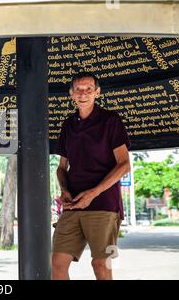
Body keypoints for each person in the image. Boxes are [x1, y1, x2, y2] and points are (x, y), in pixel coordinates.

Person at [52, 72, 131, 280]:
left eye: (88, 89)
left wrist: (92, 193)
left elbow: (124, 165)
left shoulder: (111, 120)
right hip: (72, 205)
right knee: (57, 264)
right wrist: (64, 190)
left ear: (97, 92)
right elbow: (61, 168)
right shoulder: (67, 125)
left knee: (101, 265)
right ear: (71, 94)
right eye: (78, 89)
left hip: (105, 205)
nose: (83, 93)